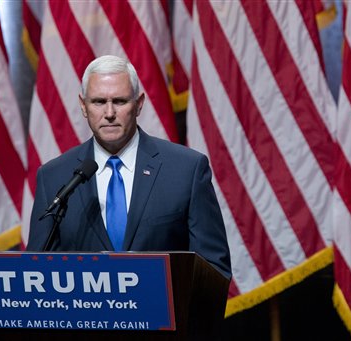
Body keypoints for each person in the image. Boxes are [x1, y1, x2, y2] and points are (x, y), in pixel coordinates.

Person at [26, 55, 231, 279]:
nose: (110, 113)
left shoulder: (186, 170)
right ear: (83, 106)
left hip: (162, 313)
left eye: (120, 101)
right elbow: (37, 273)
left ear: (139, 104)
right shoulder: (54, 177)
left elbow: (214, 269)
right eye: (98, 102)